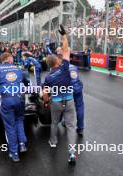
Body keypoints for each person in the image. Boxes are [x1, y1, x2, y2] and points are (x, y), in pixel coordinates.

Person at [0, 52, 29, 162]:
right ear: (8, 59)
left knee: (10, 126)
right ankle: (22, 144)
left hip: (7, 100)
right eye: (12, 58)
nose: (13, 60)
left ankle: (14, 153)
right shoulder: (18, 69)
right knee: (19, 121)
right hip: (20, 99)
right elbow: (27, 82)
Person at [42, 25, 77, 164]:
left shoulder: (48, 77)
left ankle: (53, 142)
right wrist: (63, 36)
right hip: (69, 100)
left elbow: (45, 94)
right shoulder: (64, 68)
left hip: (56, 102)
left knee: (54, 123)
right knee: (70, 127)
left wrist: (46, 101)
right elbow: (66, 50)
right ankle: (72, 153)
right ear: (57, 61)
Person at [56, 47, 85, 137]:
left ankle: (66, 123)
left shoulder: (61, 68)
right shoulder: (73, 66)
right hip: (78, 89)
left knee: (65, 107)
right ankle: (80, 128)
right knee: (80, 108)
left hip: (69, 90)